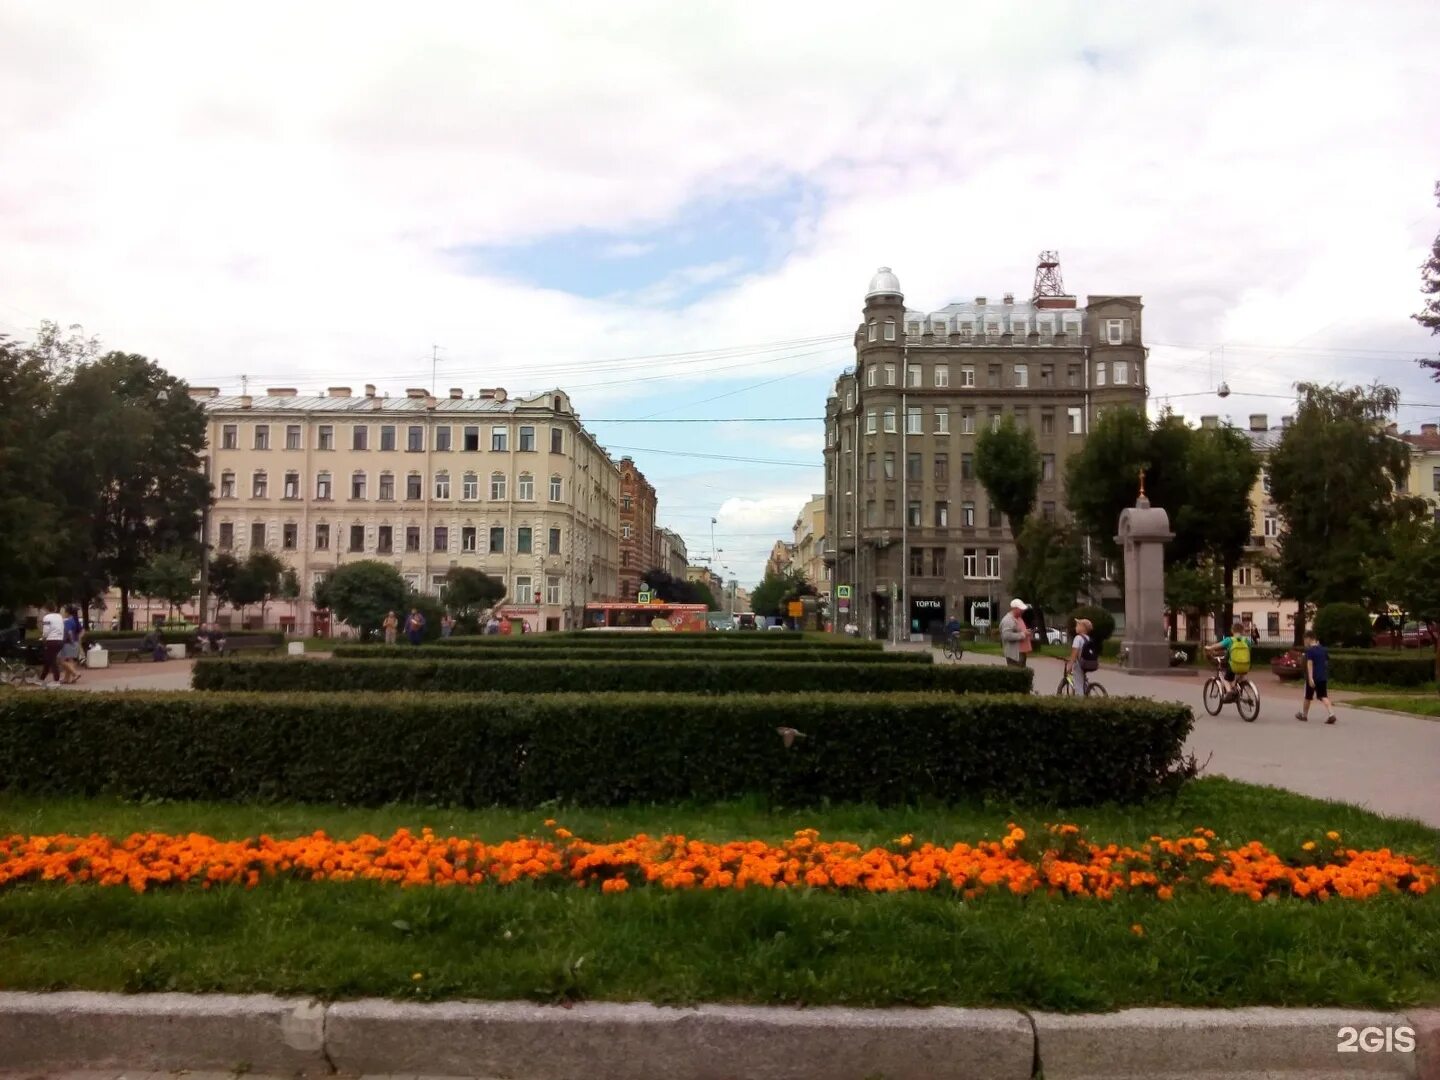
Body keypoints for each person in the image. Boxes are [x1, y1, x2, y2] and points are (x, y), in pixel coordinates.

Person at [1205, 621, 1253, 703]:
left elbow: (1217, 646)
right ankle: (1241, 690)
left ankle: (1229, 692)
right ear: (1243, 631)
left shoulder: (1229, 640)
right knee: (1239, 677)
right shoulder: (1247, 641)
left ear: (1232, 630)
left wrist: (1209, 648)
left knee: (1226, 678)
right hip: (1246, 666)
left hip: (1234, 665)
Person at [1296, 631, 1336, 724]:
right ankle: (1331, 714)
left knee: (1307, 697)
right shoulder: (1323, 649)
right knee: (1323, 696)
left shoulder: (1310, 651)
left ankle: (1304, 715)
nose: (1305, 642)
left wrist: (1310, 678)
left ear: (1309, 639)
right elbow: (1326, 662)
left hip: (1313, 678)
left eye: (1305, 640)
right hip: (1322, 677)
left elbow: (1310, 664)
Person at [1065, 618, 1095, 696]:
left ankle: (1080, 702)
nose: (1076, 627)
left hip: (1079, 664)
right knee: (1082, 680)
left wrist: (1070, 665)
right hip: (1088, 662)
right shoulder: (1088, 638)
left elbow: (1074, 653)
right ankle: (1087, 691)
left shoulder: (1078, 638)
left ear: (1083, 628)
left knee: (1078, 684)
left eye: (1077, 625)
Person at [999, 598, 1031, 668]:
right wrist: (1023, 634)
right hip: (1014, 654)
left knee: (1022, 674)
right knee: (1017, 674)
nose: (1023, 611)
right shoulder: (1008, 620)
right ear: (1014, 608)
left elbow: (1020, 630)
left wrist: (1026, 632)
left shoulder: (1018, 618)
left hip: (1021, 652)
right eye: (1021, 609)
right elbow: (1006, 636)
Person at [39, 607, 65, 686]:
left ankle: (56, 680)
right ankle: (41, 679)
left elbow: (46, 630)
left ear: (46, 609)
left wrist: (43, 638)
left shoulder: (46, 617)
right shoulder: (60, 616)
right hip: (59, 640)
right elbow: (62, 628)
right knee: (48, 659)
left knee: (52, 660)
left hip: (51, 640)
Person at [59, 605, 83, 684]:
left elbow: (68, 632)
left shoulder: (68, 621)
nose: (63, 613)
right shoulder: (75, 620)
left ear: (67, 613)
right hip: (75, 643)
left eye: (64, 611)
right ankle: (66, 678)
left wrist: (70, 640)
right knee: (70, 661)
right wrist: (78, 641)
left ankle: (75, 673)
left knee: (62, 661)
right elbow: (82, 631)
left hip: (68, 643)